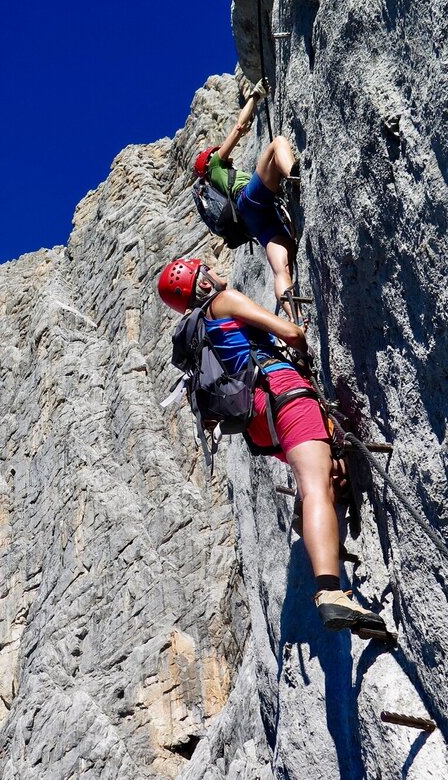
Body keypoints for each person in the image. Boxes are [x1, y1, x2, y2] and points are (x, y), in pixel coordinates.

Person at [157, 257, 386, 634]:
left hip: (259, 419)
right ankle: (331, 592)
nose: (216, 271)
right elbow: (290, 333)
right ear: (202, 283)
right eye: (207, 269)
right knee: (316, 487)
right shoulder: (225, 300)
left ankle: (315, 519)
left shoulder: (200, 330)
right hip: (283, 392)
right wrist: (300, 336)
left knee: (325, 476)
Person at [193, 83, 301, 319]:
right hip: (249, 200)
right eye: (216, 151)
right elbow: (239, 127)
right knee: (277, 144)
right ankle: (294, 174)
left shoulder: (216, 182)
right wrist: (254, 96)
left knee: (281, 268)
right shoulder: (215, 165)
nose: (223, 152)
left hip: (253, 224)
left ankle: (296, 318)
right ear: (209, 160)